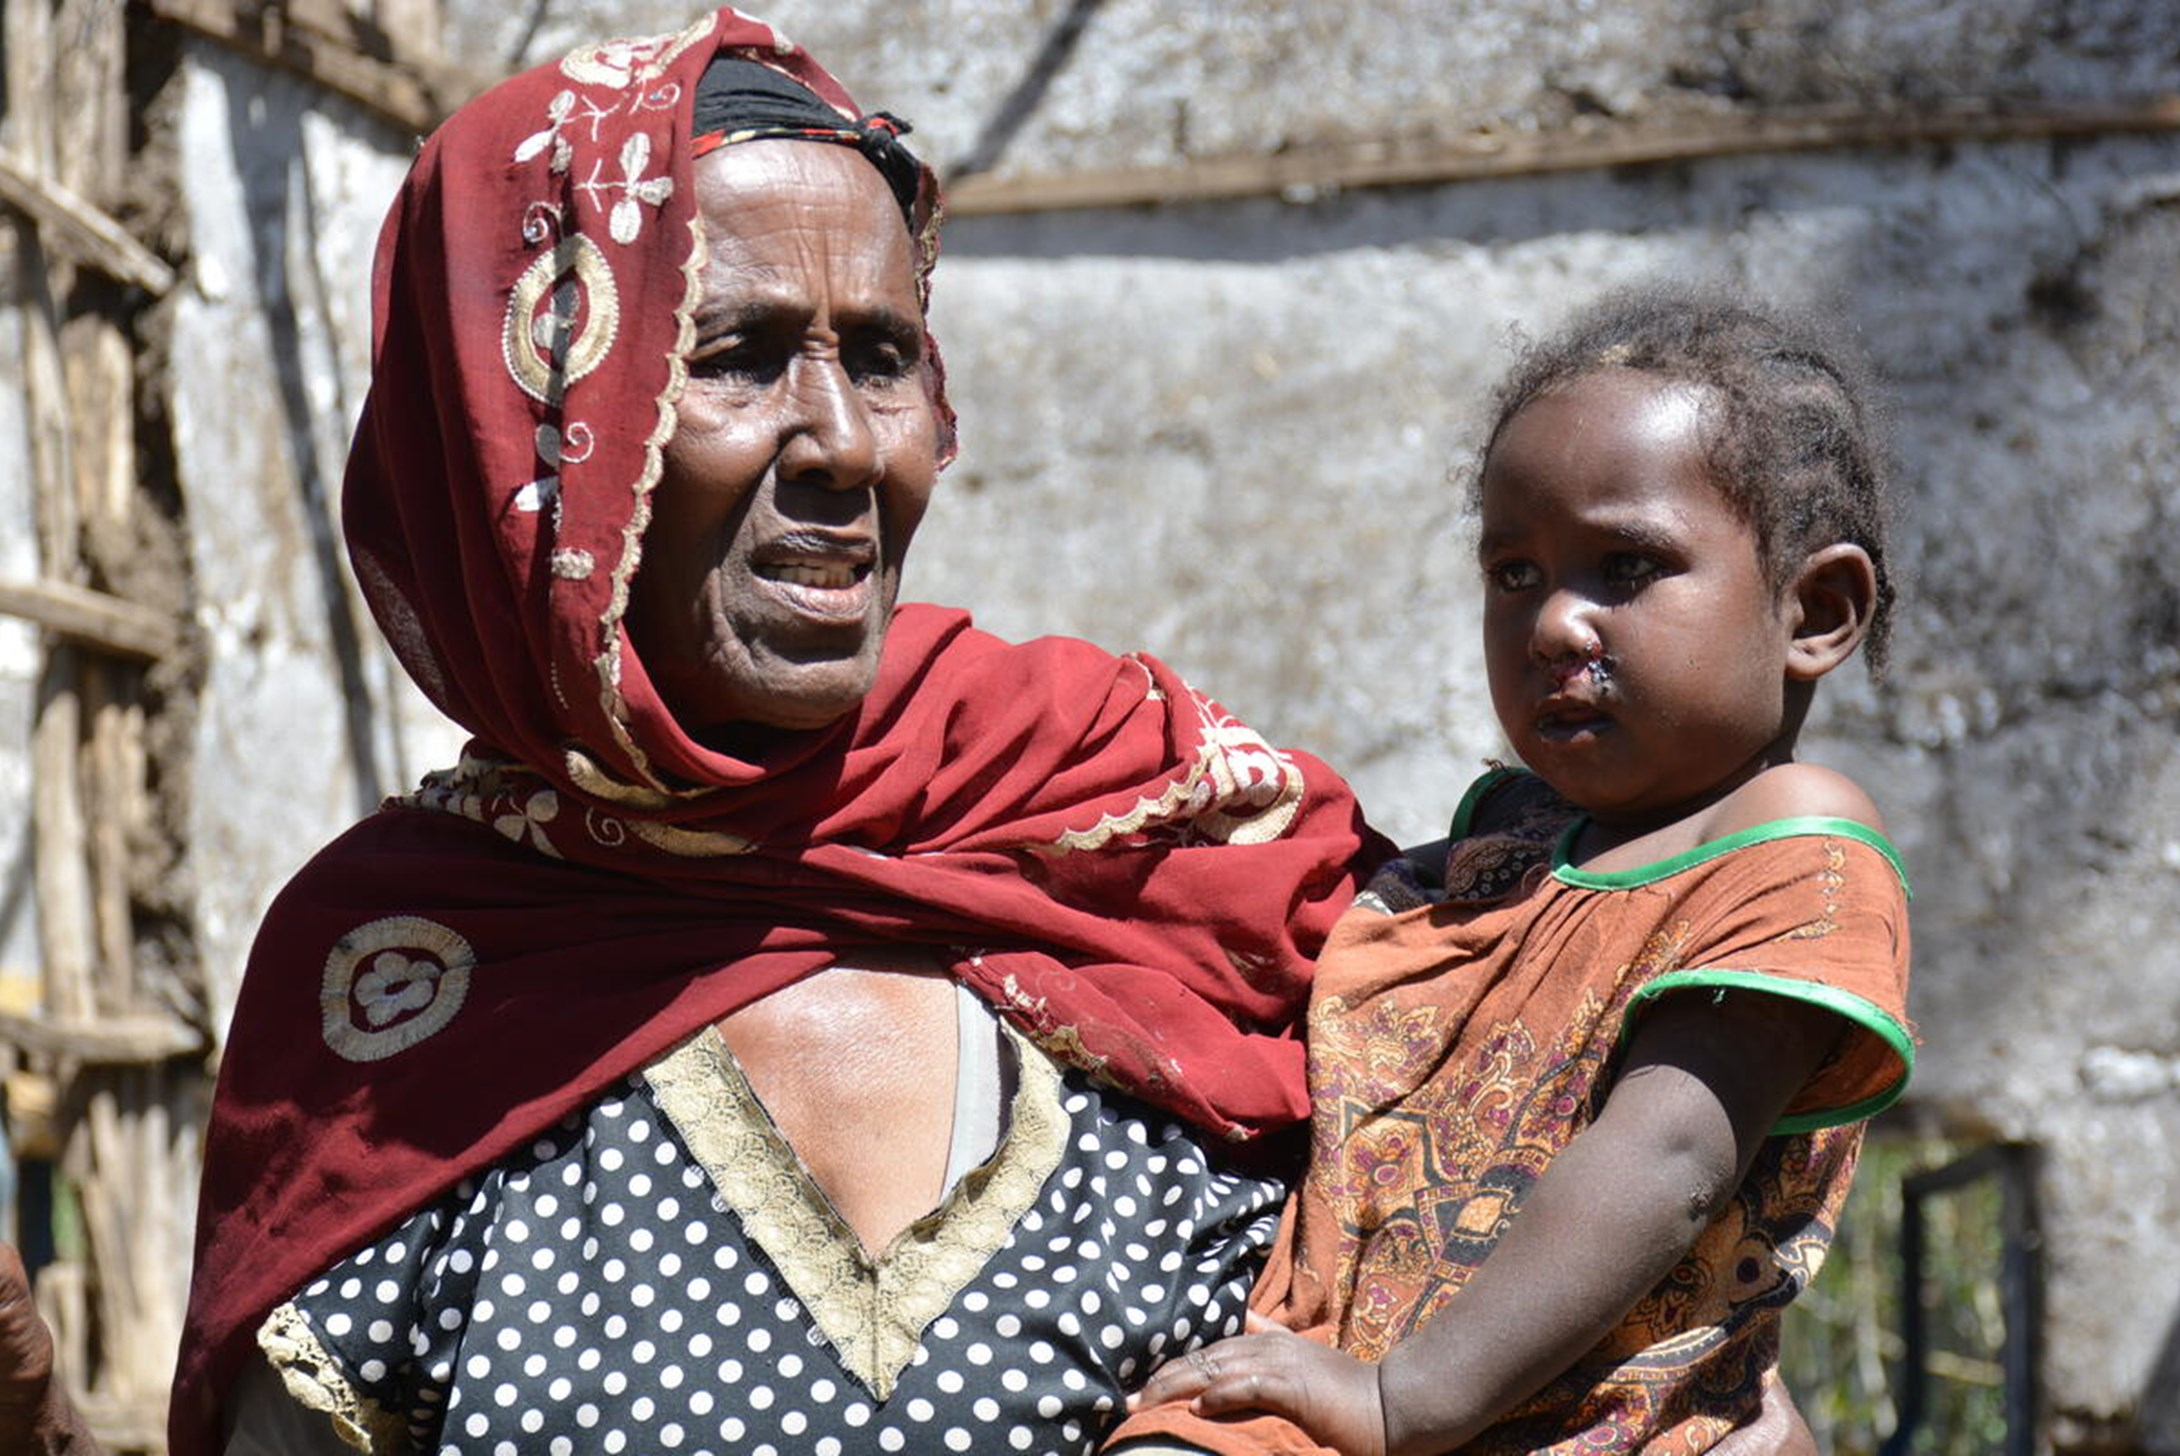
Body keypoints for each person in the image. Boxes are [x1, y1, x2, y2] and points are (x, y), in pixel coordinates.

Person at [1, 9, 1383, 1454]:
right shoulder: (399, 991)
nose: (847, 443)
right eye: (737, 355)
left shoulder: (1151, 829)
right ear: (528, 427)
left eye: (886, 355)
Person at [1113, 286, 1915, 1455]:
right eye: (1513, 574)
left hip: (1568, 1424)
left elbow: (1672, 1156)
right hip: (1334, 1371)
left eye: (1624, 566)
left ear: (1816, 610)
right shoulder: (1508, 842)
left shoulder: (1783, 844)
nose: (1551, 625)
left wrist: (1407, 1399)